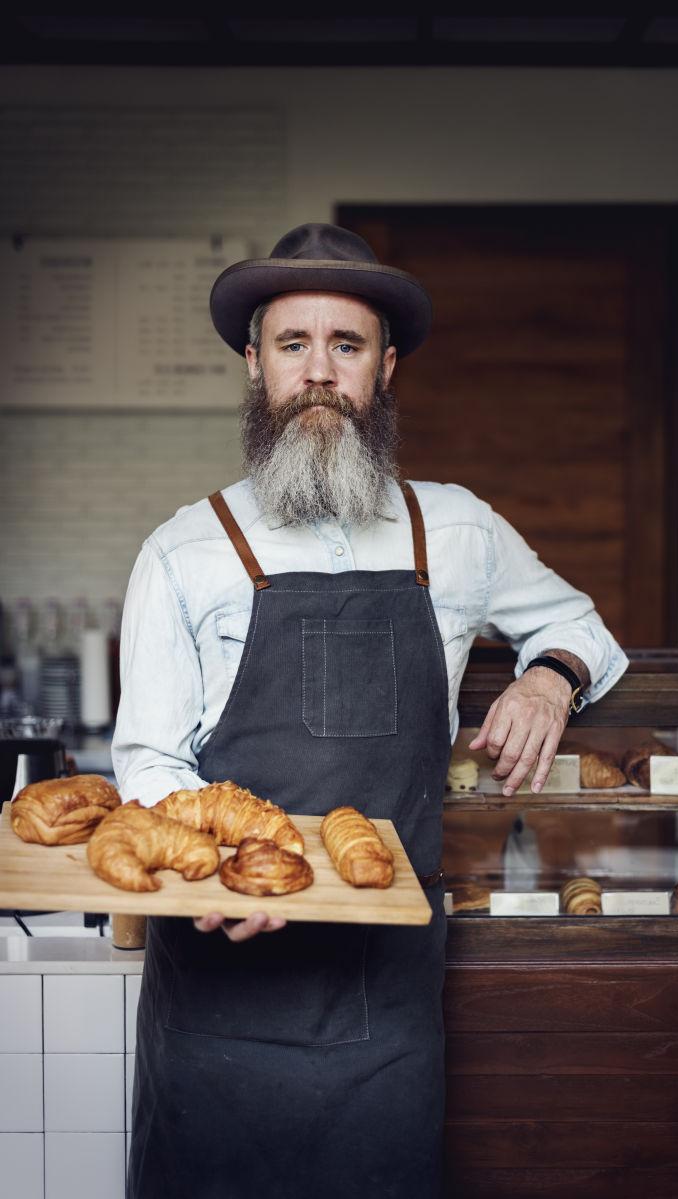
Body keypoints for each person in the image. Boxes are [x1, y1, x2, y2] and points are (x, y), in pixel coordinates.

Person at [112, 222, 629, 1198]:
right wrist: (223, 870)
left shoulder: (458, 528)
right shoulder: (187, 550)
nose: (318, 373)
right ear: (254, 364)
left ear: (384, 368)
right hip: (222, 979)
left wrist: (547, 673)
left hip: (387, 989)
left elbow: (581, 626)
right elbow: (147, 759)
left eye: (344, 346)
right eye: (292, 345)